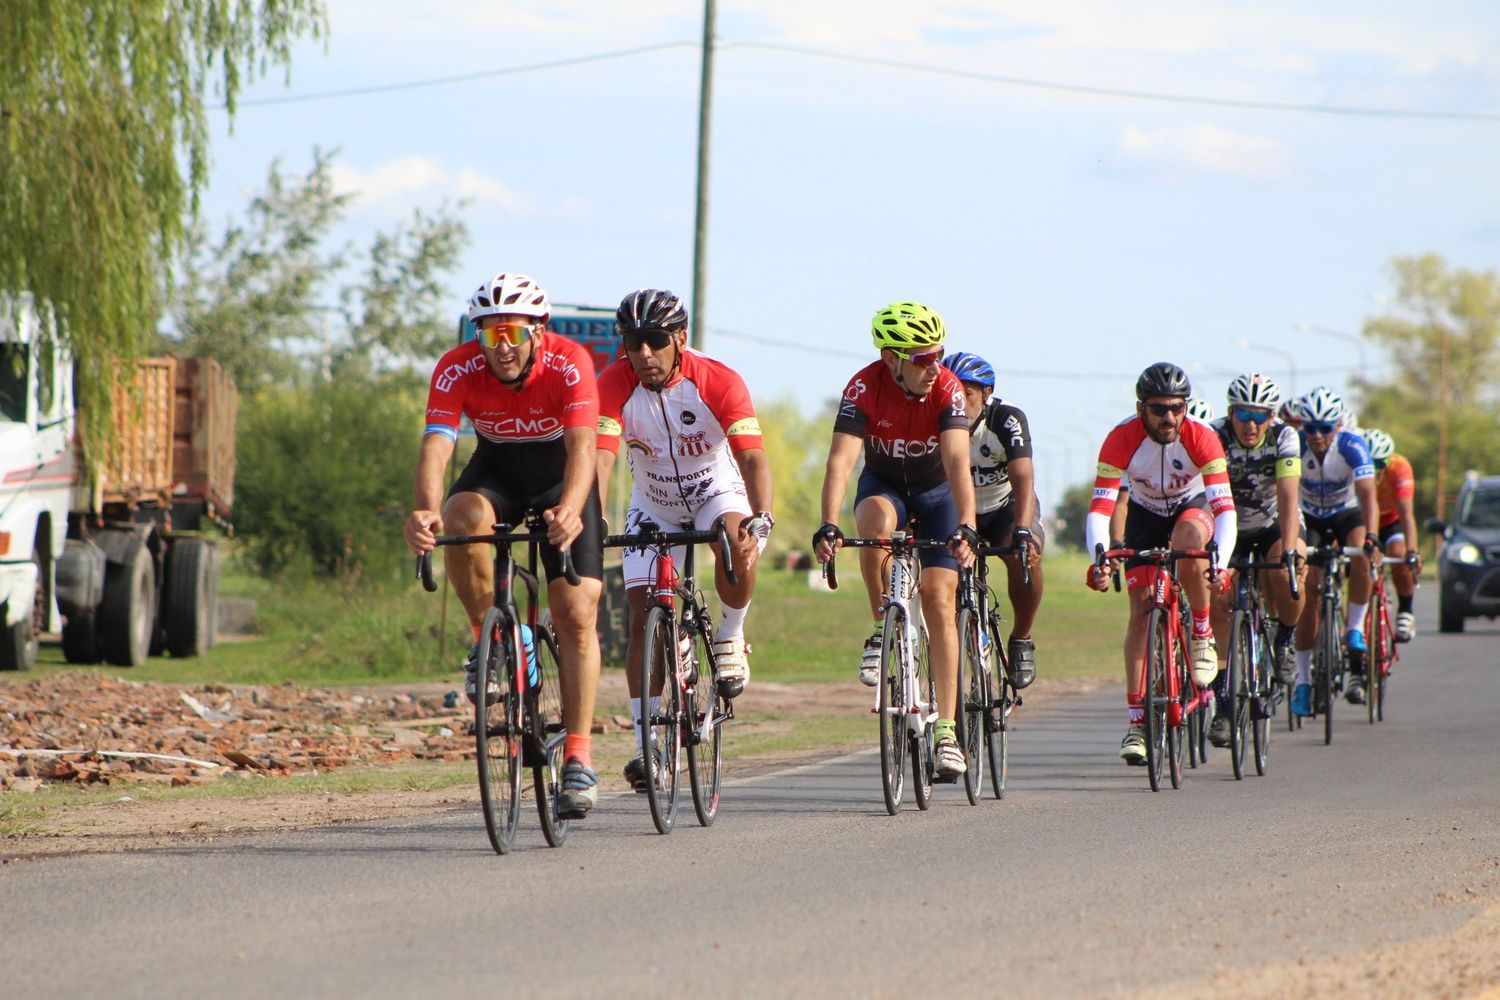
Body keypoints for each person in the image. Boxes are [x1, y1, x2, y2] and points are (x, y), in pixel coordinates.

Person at [403, 272, 606, 819]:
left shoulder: (571, 362)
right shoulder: (456, 367)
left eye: (513, 333)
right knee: (459, 515)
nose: (503, 347)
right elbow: (436, 447)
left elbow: (584, 446)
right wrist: (424, 509)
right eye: (490, 335)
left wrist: (570, 507)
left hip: (562, 477)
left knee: (576, 612)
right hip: (498, 471)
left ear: (538, 331)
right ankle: (490, 641)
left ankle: (580, 758)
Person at [595, 289, 773, 789]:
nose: (643, 354)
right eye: (633, 343)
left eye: (654, 341)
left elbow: (753, 457)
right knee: (639, 617)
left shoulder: (718, 380)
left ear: (680, 339)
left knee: (737, 543)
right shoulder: (613, 383)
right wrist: (590, 516)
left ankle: (731, 633)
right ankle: (647, 747)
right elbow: (600, 457)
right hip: (653, 502)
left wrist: (763, 517)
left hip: (715, 490)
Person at [813, 302, 978, 778]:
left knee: (938, 598)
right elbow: (841, 463)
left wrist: (966, 522)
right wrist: (827, 523)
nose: (934, 367)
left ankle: (946, 730)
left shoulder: (946, 389)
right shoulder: (863, 387)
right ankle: (878, 625)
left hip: (937, 495)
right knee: (873, 528)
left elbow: (955, 463)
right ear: (891, 358)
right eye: (922, 358)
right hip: (884, 487)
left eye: (939, 355)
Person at [1085, 363, 1236, 766]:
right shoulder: (1121, 438)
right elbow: (1100, 509)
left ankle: (1201, 631)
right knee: (1141, 607)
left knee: (1189, 543)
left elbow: (1224, 509)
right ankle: (1137, 722)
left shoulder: (1202, 437)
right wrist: (1100, 558)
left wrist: (1219, 560)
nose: (1169, 417)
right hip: (1145, 515)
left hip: (1193, 507)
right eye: (1158, 409)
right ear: (1141, 408)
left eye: (1176, 407)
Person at [1205, 373, 1308, 747]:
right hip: (1227, 524)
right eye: (1244, 414)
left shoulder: (1285, 437)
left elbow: (1287, 496)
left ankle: (1284, 639)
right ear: (1231, 412)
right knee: (1216, 597)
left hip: (1272, 523)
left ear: (1271, 416)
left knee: (1286, 572)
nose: (1251, 424)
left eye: (1260, 415)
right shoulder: (1213, 436)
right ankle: (1222, 702)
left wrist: (1291, 548)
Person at [942, 351, 1044, 687]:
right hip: (958, 511)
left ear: (986, 394)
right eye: (951, 391)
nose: (958, 401)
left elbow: (1023, 480)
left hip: (1005, 508)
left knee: (1024, 555)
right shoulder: (937, 418)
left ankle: (1022, 638)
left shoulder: (1006, 420)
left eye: (966, 394)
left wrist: (1025, 531)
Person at [1292, 385, 1381, 713]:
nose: (1317, 436)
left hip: (1346, 513)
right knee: (1309, 592)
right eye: (1310, 427)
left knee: (1360, 551)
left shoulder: (1352, 446)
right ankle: (1302, 680)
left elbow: (1369, 497)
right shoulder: (1294, 444)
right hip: (1310, 517)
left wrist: (1372, 536)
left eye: (1324, 429)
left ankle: (1354, 628)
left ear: (1337, 426)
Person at [1364, 428, 1422, 642]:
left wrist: (1413, 551)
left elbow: (1407, 514)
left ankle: (1406, 611)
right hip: (1363, 521)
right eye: (1369, 464)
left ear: (1388, 461)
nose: (1374, 470)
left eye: (1379, 464)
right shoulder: (1353, 467)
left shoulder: (1399, 467)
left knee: (1399, 555)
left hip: (1391, 521)